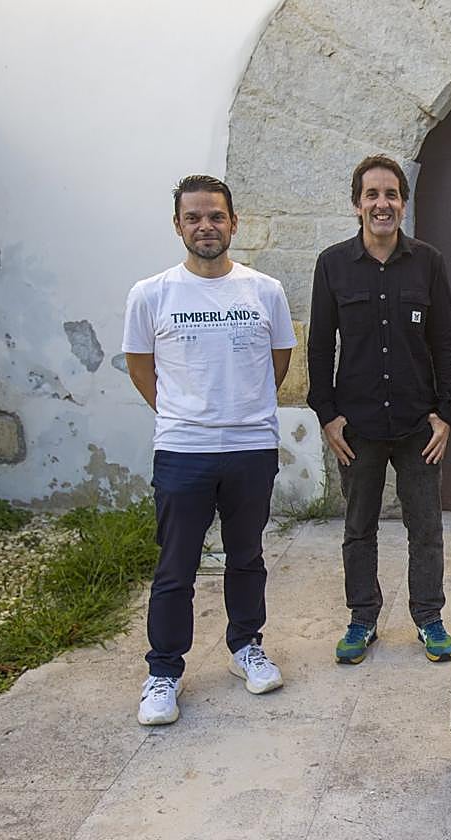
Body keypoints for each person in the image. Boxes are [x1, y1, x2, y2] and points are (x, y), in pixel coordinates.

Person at [123, 174, 296, 725]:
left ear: (233, 222)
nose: (206, 226)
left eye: (216, 216)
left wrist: (240, 409)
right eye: (194, 217)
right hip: (182, 451)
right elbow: (140, 367)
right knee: (176, 566)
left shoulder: (264, 290)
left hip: (250, 448)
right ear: (178, 225)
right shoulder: (151, 293)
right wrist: (184, 412)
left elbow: (279, 361)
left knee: (247, 557)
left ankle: (246, 647)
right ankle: (163, 672)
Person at [307, 155, 451, 665]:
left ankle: (429, 618)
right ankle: (362, 618)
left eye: (391, 194)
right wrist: (327, 415)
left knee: (427, 527)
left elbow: (447, 344)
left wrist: (445, 413)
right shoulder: (332, 264)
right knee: (358, 528)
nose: (382, 204)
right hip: (358, 427)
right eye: (372, 195)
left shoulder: (428, 262)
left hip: (420, 426)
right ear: (357, 204)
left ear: (403, 203)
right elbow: (319, 348)